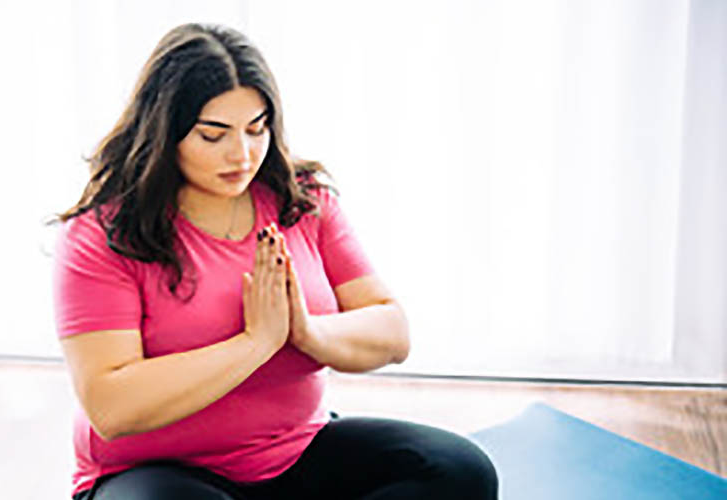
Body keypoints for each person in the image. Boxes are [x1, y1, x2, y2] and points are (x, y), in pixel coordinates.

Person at [48, 22, 498, 500]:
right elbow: (111, 406)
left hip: (295, 453)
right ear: (165, 132)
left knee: (460, 470)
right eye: (213, 135)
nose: (241, 154)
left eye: (256, 128)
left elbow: (392, 331)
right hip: (160, 473)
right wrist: (256, 342)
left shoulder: (301, 201)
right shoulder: (103, 233)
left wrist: (307, 332)